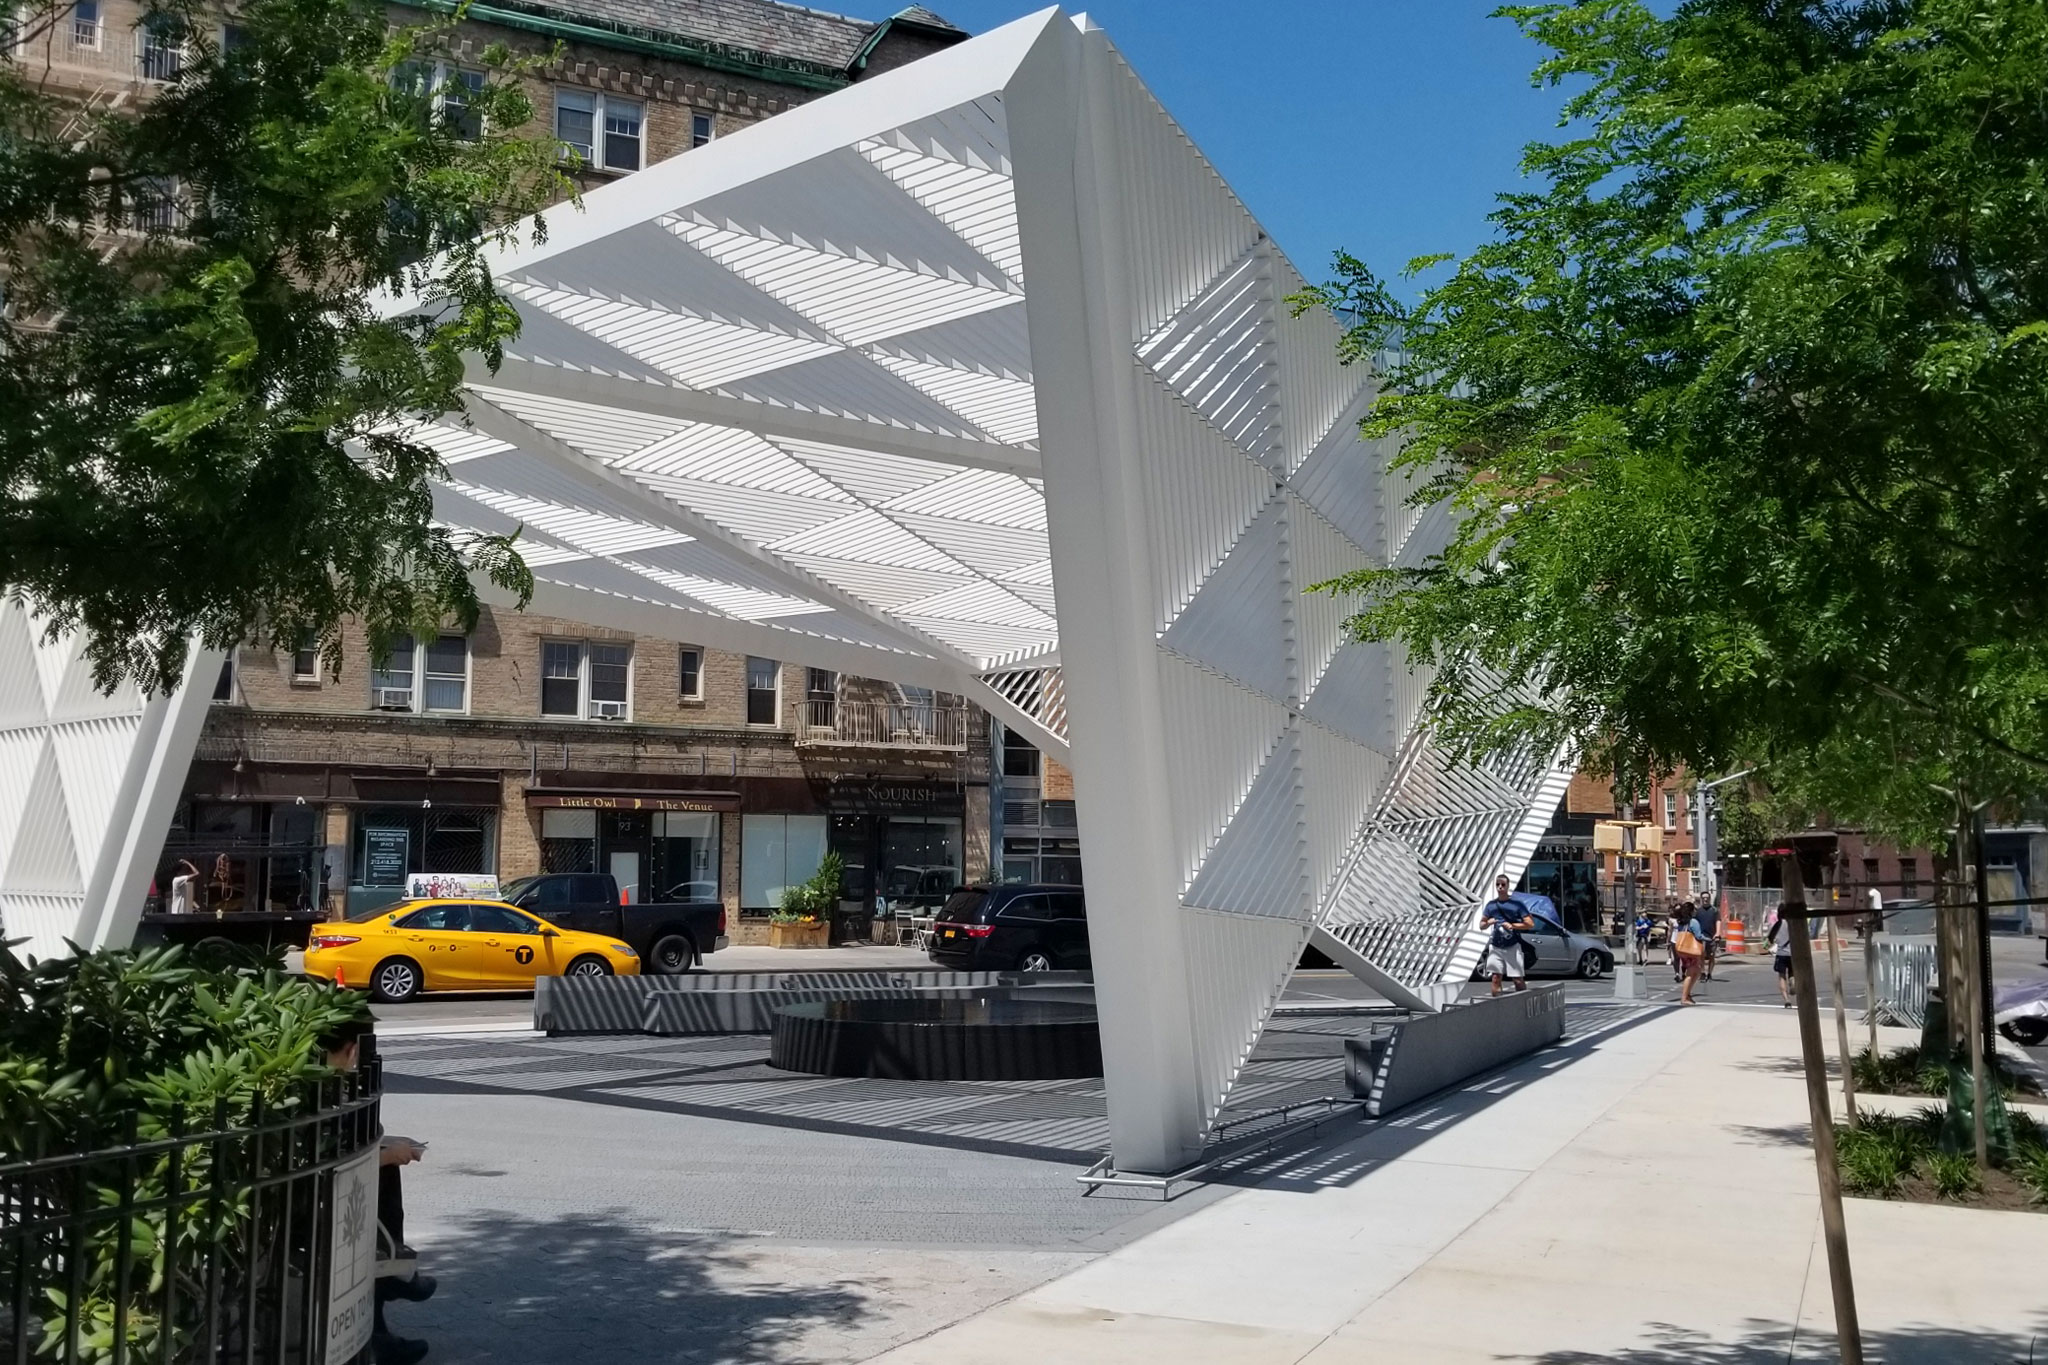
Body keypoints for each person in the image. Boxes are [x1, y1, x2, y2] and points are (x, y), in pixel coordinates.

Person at [322, 1023, 436, 1365]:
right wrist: (386, 1156)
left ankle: (393, 1275)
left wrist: (386, 1152)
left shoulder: (312, 1086)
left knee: (385, 1169)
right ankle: (393, 1272)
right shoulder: (322, 1092)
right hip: (310, 1214)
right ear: (353, 1050)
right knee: (383, 1173)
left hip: (314, 1205)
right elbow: (327, 1168)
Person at [1480, 874, 1534, 996]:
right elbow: (1481, 925)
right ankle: (1496, 1005)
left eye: (1503, 884)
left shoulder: (1517, 905)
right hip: (1496, 946)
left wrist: (1513, 925)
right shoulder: (1491, 905)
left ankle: (1522, 1004)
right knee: (1495, 977)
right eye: (1497, 884)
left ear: (1508, 886)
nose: (1500, 887)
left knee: (1517, 979)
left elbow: (1530, 924)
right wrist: (1488, 922)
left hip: (1512, 946)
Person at [1670, 903, 1707, 1004]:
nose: (1696, 911)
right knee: (1691, 973)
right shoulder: (1693, 922)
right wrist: (1708, 938)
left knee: (1696, 971)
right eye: (1694, 909)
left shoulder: (1681, 922)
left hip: (1683, 950)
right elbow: (1698, 936)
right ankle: (1684, 997)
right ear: (1691, 911)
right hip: (1691, 951)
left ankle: (1688, 995)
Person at [1768, 909, 1795, 1007]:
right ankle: (1793, 982)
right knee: (1792, 973)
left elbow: (1770, 938)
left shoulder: (1779, 924)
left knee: (1782, 976)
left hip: (1781, 953)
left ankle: (1787, 1000)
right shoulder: (1794, 924)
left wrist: (1774, 943)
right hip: (1793, 953)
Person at [1695, 897, 1722, 981]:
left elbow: (1718, 921)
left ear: (1709, 899)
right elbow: (1694, 923)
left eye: (1707, 898)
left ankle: (1709, 973)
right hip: (1701, 936)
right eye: (1703, 898)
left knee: (1711, 956)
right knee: (1701, 955)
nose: (1705, 900)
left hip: (1712, 936)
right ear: (1701, 899)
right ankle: (1702, 972)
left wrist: (1717, 933)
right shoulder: (1698, 911)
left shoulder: (1714, 910)